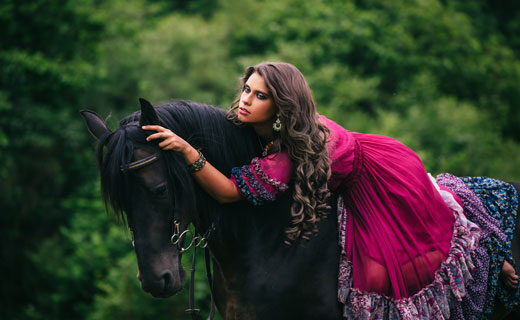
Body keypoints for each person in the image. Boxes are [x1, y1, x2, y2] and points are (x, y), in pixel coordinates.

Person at [142, 62, 518, 317]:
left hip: (383, 178)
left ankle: (489, 254)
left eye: (260, 96)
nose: (245, 99)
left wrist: (187, 150)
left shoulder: (292, 150)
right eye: (246, 89)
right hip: (370, 154)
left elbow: (227, 192)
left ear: (281, 106)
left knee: (419, 246)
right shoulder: (268, 129)